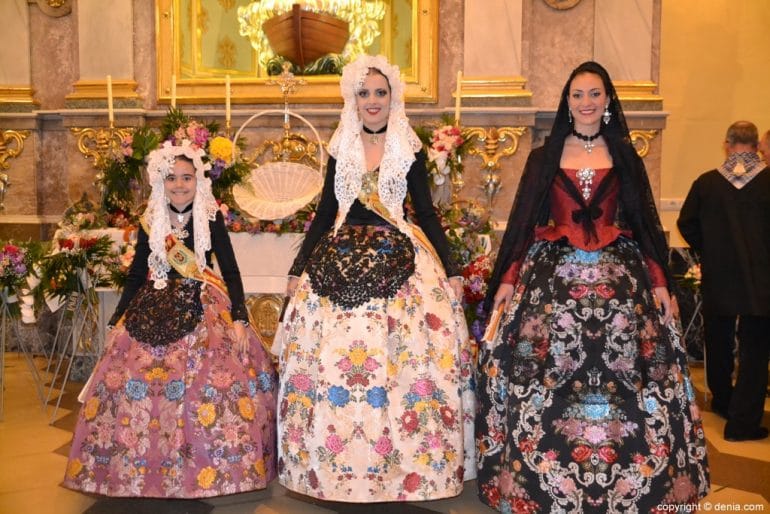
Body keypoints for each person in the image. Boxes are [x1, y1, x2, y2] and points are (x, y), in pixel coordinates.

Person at [476, 61, 709, 512]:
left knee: (631, 365)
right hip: (552, 279)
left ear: (607, 101)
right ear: (567, 101)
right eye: (578, 94)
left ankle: (633, 477)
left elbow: (644, 223)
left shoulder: (624, 155)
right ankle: (541, 476)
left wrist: (660, 282)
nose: (586, 103)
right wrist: (507, 278)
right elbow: (524, 222)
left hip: (620, 278)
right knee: (542, 364)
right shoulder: (543, 157)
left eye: (595, 94)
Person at [274, 54, 475, 502]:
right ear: (352, 98)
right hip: (339, 259)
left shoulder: (409, 148)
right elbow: (326, 214)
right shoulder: (340, 148)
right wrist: (296, 269)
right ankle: (335, 463)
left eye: (380, 93)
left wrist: (453, 267)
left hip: (401, 256)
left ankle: (407, 463)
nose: (372, 101)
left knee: (406, 359)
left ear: (392, 98)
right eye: (363, 93)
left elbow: (425, 212)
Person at [63, 140, 277, 498]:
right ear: (160, 182)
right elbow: (135, 275)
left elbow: (232, 270)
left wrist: (239, 318)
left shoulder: (211, 217)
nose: (179, 185)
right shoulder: (152, 220)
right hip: (153, 303)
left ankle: (207, 466)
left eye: (187, 178)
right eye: (172, 178)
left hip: (204, 303)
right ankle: (137, 466)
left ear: (199, 181)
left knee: (209, 383)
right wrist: (118, 320)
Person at [677, 121, 770, 441]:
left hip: (719, 276)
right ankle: (743, 422)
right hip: (762, 280)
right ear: (757, 146)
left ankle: (722, 400)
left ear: (727, 144)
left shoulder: (707, 183)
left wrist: (711, 250)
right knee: (754, 351)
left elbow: (685, 222)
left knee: (717, 338)